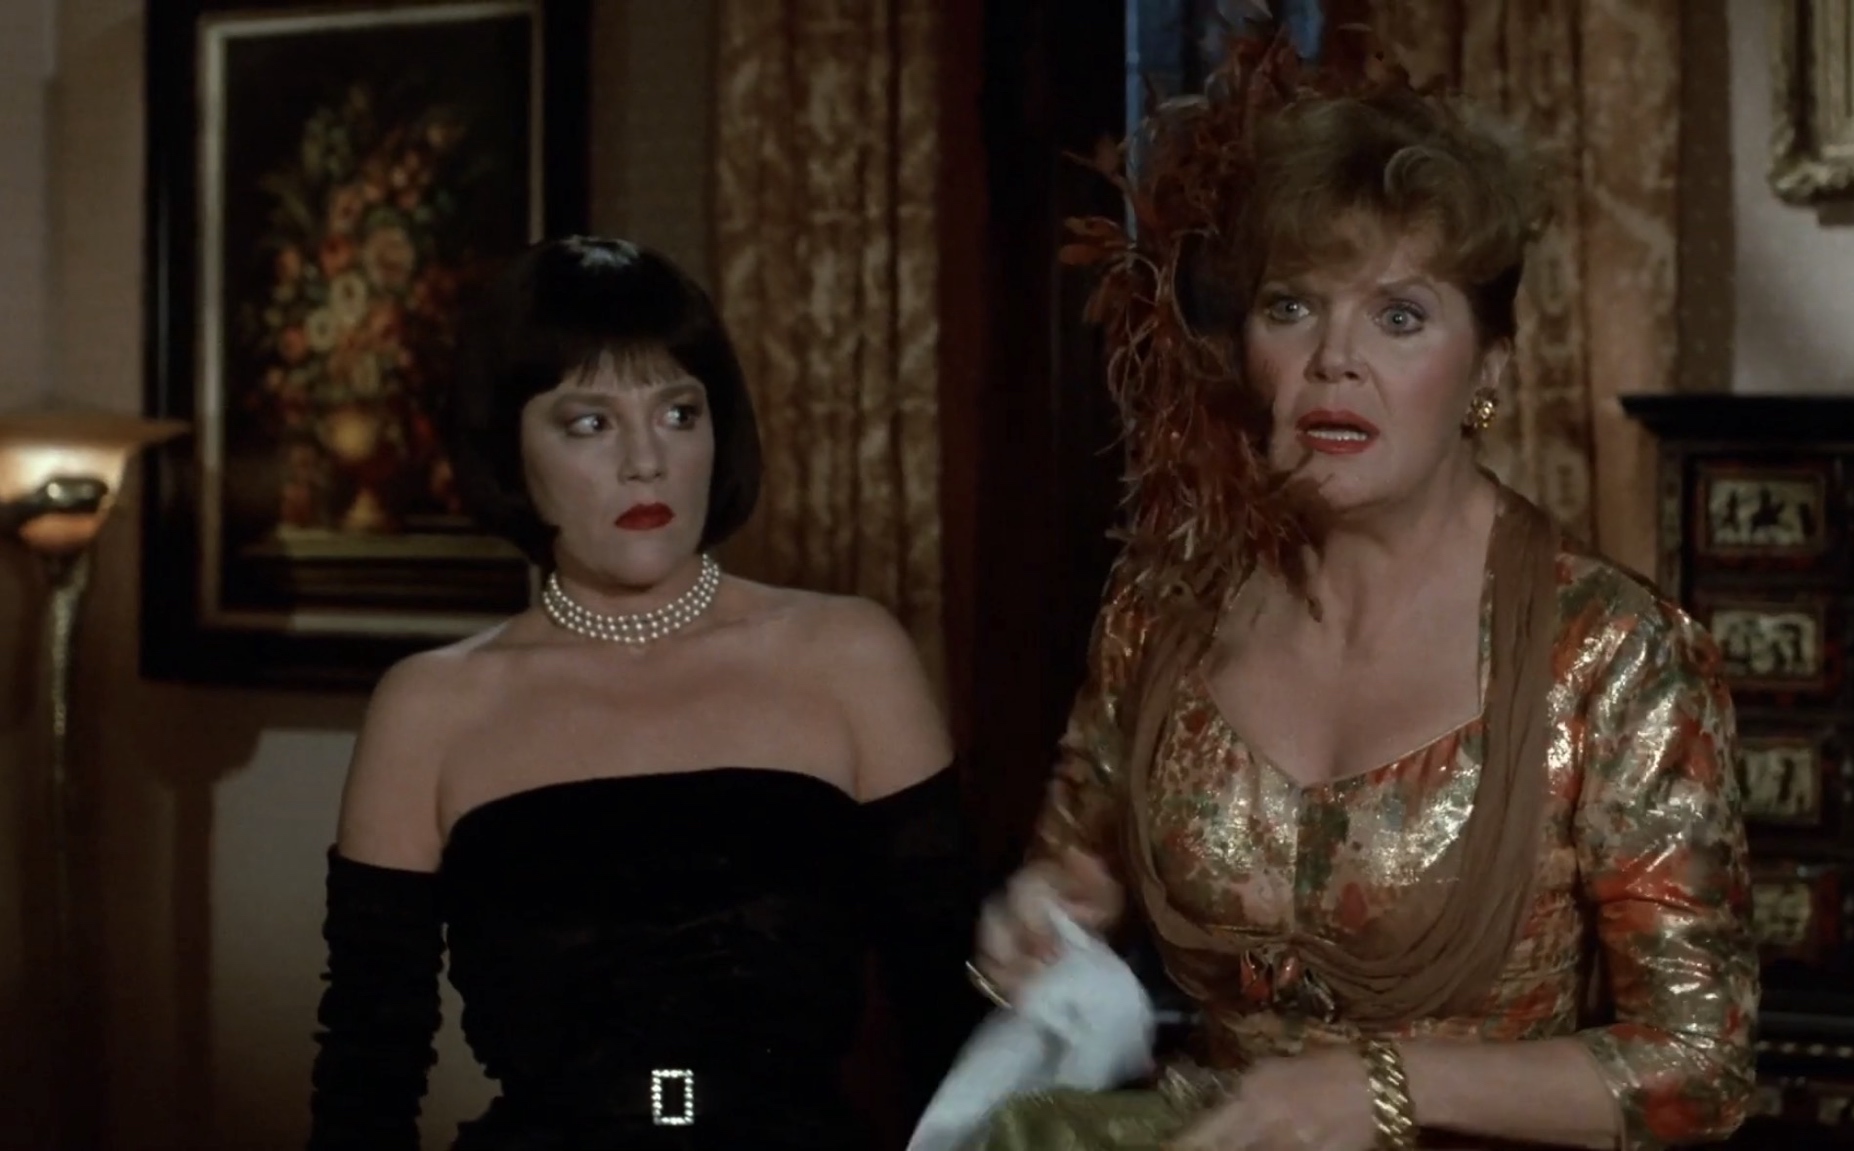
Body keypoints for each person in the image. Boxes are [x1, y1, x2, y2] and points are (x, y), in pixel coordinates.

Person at [971, 26, 1757, 1151]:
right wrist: (1043, 917)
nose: (1334, 358)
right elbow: (1075, 863)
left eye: (1398, 316)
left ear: (1487, 366)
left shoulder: (1613, 655)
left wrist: (1378, 1088)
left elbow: (1699, 1063)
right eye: (1292, 306)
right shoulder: (1161, 612)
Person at [306, 236, 983, 1150]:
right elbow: (366, 1081)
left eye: (677, 412)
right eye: (590, 422)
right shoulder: (428, 707)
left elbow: (954, 1022)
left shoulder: (851, 656)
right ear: (510, 452)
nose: (645, 461)